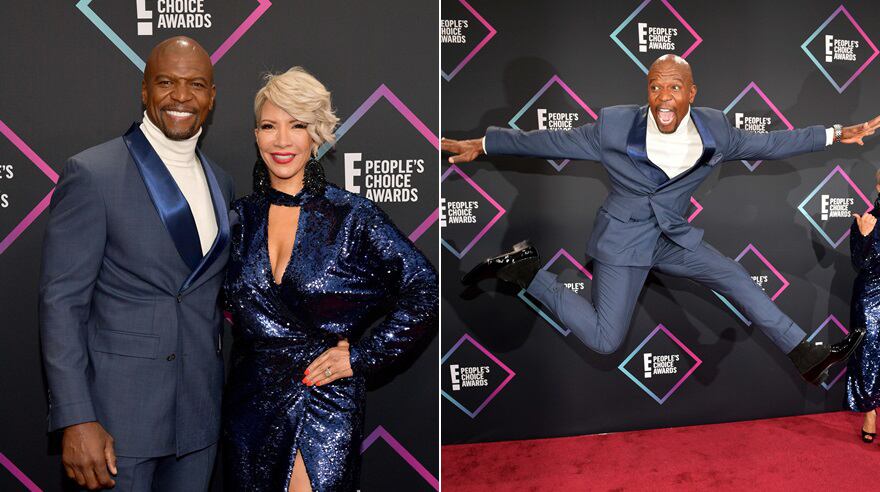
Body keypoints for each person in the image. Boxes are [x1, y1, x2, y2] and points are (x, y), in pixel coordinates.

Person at [442, 54, 879, 386]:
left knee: (734, 277)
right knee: (604, 340)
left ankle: (806, 354)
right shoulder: (614, 127)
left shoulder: (716, 131)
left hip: (670, 236)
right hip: (624, 239)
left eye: (673, 87)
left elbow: (771, 142)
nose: (662, 97)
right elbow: (551, 140)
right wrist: (484, 144)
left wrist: (835, 133)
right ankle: (527, 273)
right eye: (654, 87)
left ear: (691, 92)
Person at [222, 67, 437, 491]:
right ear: (256, 134)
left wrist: (359, 356)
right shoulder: (238, 217)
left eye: (297, 125)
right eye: (269, 126)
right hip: (249, 403)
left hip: (321, 398)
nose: (282, 140)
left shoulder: (352, 216)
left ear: (316, 134)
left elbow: (423, 289)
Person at [39, 37, 234, 490]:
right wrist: (76, 417)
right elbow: (61, 304)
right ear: (145, 91)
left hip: (198, 422)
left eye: (196, 84)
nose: (181, 96)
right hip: (113, 424)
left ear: (211, 96)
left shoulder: (220, 182)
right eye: (166, 82)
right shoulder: (93, 173)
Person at [847, 175, 880, 442]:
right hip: (871, 295)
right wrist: (866, 237)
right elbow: (860, 262)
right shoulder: (866, 220)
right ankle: (870, 412)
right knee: (868, 353)